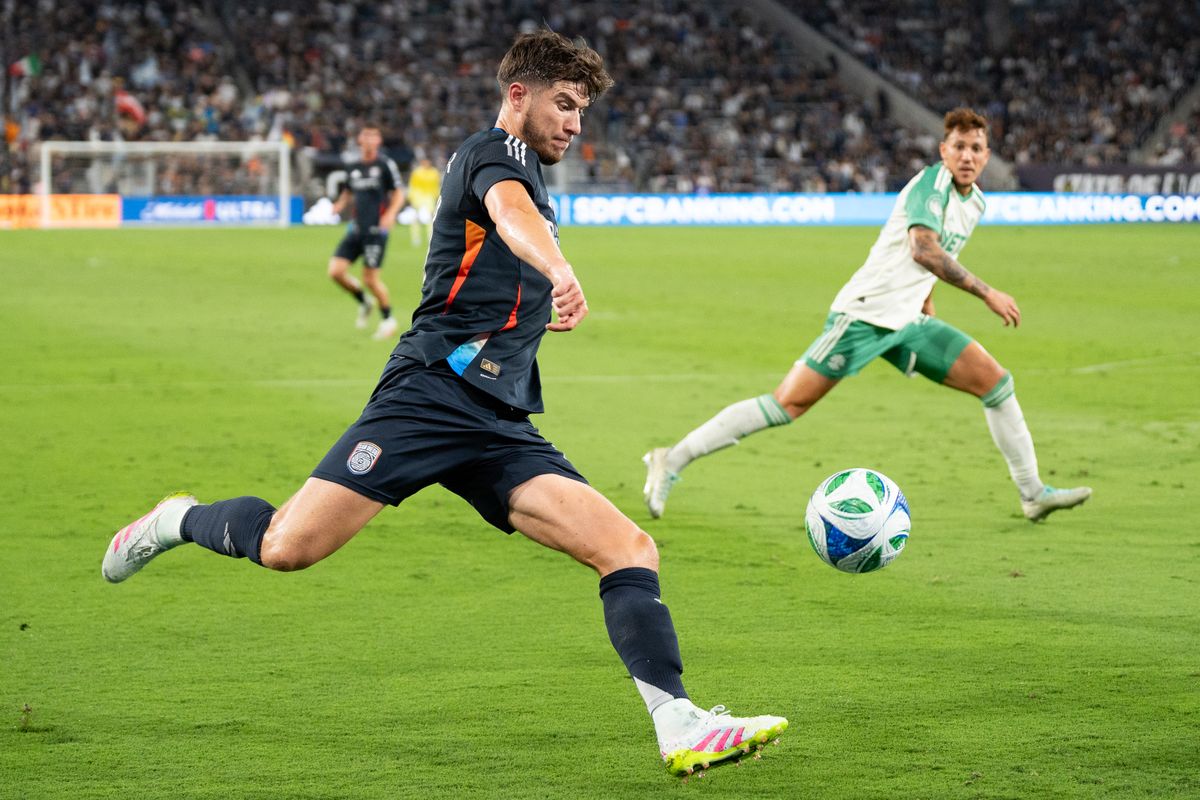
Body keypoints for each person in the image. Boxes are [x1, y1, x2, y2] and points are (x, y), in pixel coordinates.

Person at [102, 30, 786, 778]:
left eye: (582, 110)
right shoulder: (492, 154)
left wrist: (538, 296)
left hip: (497, 419)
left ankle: (679, 724)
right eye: (564, 103)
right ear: (518, 95)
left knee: (627, 549)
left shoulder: (532, 173)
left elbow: (511, 237)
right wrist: (559, 270)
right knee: (287, 547)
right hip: (430, 395)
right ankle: (176, 519)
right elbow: (510, 214)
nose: (574, 123)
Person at [643, 108, 1092, 524]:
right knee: (787, 404)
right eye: (959, 147)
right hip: (865, 314)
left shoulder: (975, 202)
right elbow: (924, 249)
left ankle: (1033, 493)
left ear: (987, 155)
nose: (967, 156)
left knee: (996, 383)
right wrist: (987, 293)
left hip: (907, 321)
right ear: (944, 151)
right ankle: (671, 458)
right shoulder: (930, 185)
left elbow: (940, 254)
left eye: (976, 148)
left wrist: (926, 299)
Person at [328, 125, 406, 340]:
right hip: (356, 229)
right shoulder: (353, 166)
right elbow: (348, 190)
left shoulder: (384, 165)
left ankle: (388, 319)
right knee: (335, 271)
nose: (370, 139)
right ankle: (364, 301)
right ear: (360, 140)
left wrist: (390, 214)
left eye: (374, 136)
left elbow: (399, 193)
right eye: (366, 135)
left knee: (370, 279)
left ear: (379, 141)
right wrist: (340, 204)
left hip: (375, 231)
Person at [406, 153, 441, 246]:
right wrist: (410, 196)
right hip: (418, 196)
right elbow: (412, 185)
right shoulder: (417, 172)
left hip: (429, 196)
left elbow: (436, 185)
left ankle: (431, 236)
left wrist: (437, 196)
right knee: (415, 217)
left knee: (431, 218)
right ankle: (415, 237)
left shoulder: (434, 172)